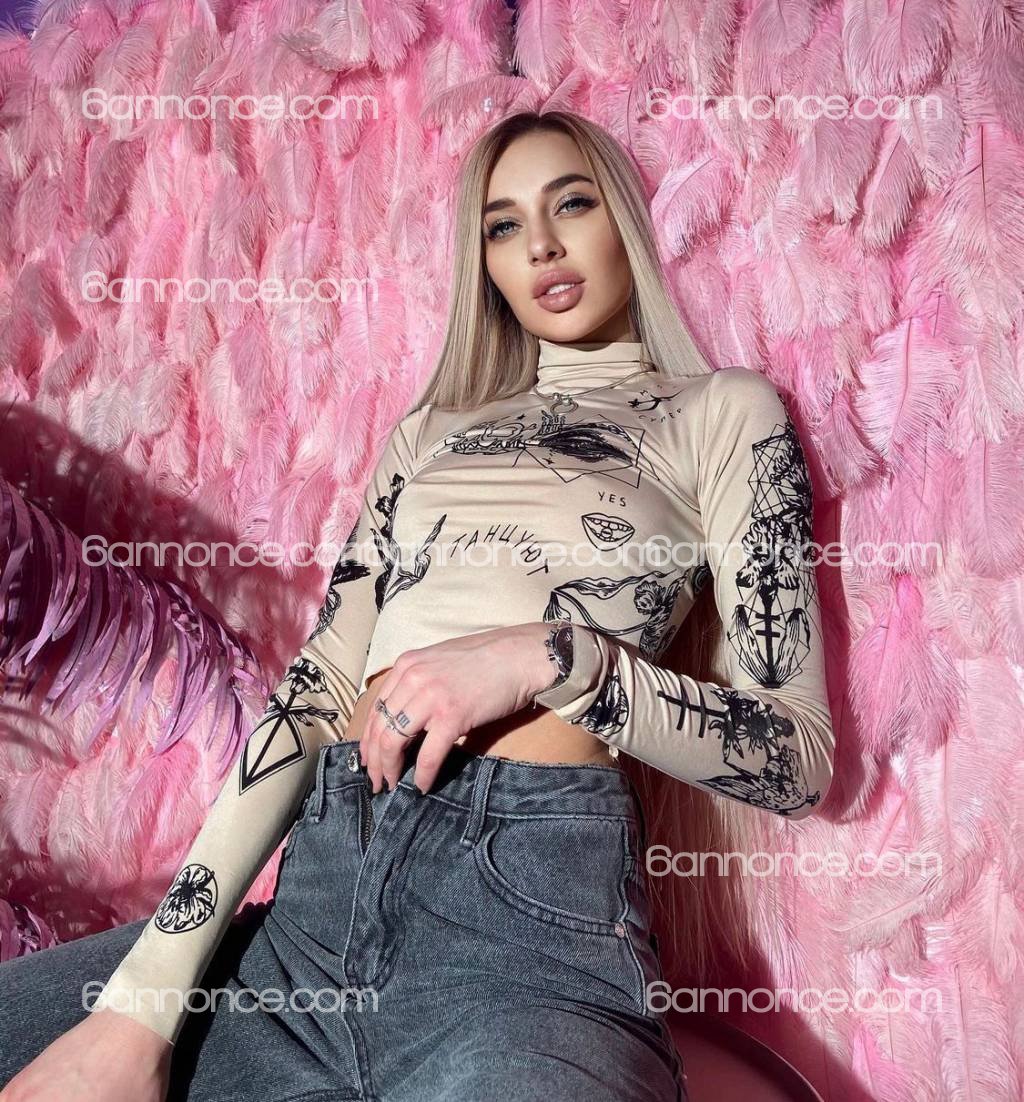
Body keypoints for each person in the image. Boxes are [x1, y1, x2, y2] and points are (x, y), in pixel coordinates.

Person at [0, 110, 834, 1102]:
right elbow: (316, 694)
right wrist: (138, 1007)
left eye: (572, 203)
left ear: (625, 221)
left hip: (526, 947)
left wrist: (548, 655)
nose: (541, 245)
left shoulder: (723, 413)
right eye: (502, 225)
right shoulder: (428, 433)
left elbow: (794, 758)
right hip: (309, 921)